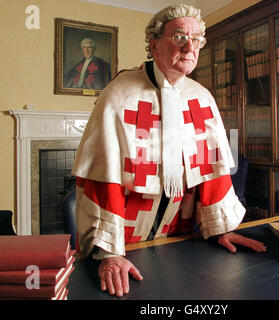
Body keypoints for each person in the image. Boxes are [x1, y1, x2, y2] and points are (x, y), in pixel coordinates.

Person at [72, 4, 266, 298]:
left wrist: (220, 228)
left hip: (182, 238)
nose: (189, 46)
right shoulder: (119, 94)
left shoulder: (201, 97)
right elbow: (103, 176)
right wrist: (108, 252)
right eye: (178, 37)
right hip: (126, 239)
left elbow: (212, 170)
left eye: (196, 39)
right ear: (153, 45)